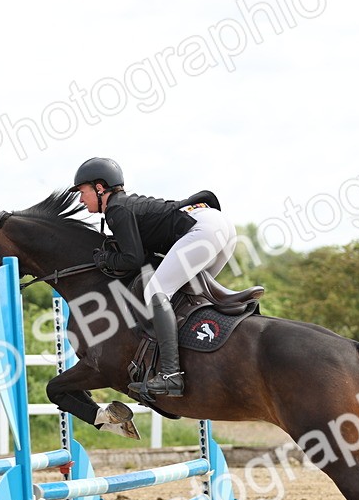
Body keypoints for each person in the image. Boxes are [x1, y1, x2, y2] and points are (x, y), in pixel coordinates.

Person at [69, 157, 238, 398]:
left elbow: (133, 259)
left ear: (99, 188)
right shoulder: (125, 206)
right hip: (219, 227)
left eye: (82, 192)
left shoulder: (116, 209)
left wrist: (104, 260)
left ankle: (170, 375)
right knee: (186, 295)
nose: (80, 199)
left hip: (202, 229)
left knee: (156, 292)